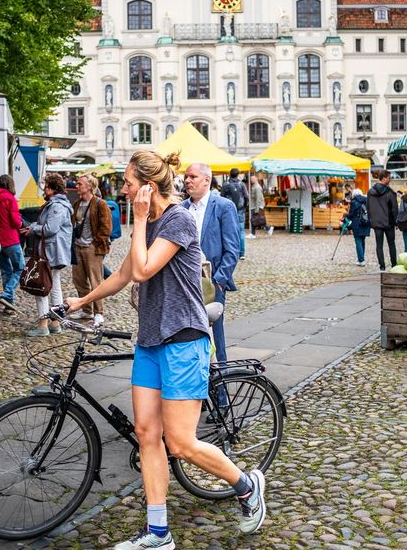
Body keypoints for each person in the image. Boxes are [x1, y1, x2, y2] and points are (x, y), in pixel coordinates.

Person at [65, 150, 266, 550]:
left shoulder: (178, 219)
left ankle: (246, 486)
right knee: (146, 434)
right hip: (151, 341)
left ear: (147, 186)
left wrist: (139, 219)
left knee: (180, 443)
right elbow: (126, 273)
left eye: (127, 183)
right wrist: (81, 302)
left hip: (184, 340)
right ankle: (158, 533)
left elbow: (143, 270)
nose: (122, 190)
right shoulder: (151, 220)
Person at [182, 162, 239, 364]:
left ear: (206, 180)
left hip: (211, 280)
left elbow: (232, 249)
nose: (187, 180)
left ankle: (220, 376)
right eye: (186, 177)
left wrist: (219, 281)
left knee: (215, 333)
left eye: (193, 177)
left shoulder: (223, 206)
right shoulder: (181, 208)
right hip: (184, 279)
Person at [25, 173, 73, 338]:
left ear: (53, 188)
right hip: (54, 252)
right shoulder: (58, 205)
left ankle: (43, 325)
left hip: (51, 252)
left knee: (42, 285)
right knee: (54, 286)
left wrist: (33, 228)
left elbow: (50, 229)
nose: (44, 189)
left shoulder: (56, 206)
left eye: (46, 186)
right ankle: (55, 323)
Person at [70, 173, 112, 326]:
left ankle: (98, 313)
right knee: (79, 280)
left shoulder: (100, 204)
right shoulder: (76, 203)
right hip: (78, 246)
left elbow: (106, 227)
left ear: (89, 186)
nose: (76, 186)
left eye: (79, 184)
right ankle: (87, 310)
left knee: (96, 281)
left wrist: (95, 243)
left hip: (92, 248)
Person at [0, 174, 24, 313]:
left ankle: (8, 305)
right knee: (20, 268)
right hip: (11, 239)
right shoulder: (10, 199)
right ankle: (7, 294)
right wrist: (20, 221)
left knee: (6, 271)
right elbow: (16, 222)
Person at [367, 170, 398, 270]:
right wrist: (396, 221)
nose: (390, 179)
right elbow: (394, 208)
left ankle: (382, 266)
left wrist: (371, 220)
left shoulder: (370, 192)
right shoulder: (390, 192)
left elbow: (368, 207)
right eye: (389, 178)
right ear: (384, 178)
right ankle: (394, 264)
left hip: (376, 222)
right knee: (391, 244)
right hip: (388, 222)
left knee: (379, 245)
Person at [220, 168, 249, 260]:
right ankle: (242, 253)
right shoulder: (242, 184)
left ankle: (230, 252)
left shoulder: (225, 185)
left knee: (227, 231)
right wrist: (245, 206)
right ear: (238, 174)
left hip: (228, 211)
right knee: (241, 231)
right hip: (240, 210)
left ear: (229, 174)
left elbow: (221, 198)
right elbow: (247, 197)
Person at [346, 188, 370, 265]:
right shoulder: (366, 200)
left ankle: (361, 260)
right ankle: (361, 258)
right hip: (365, 222)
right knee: (362, 240)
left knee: (358, 240)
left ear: (354, 194)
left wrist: (346, 215)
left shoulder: (353, 202)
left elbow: (351, 214)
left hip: (357, 223)